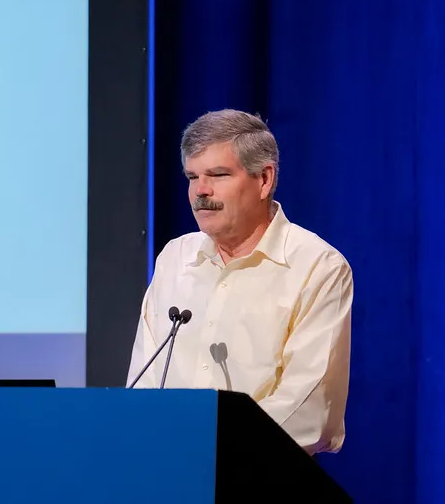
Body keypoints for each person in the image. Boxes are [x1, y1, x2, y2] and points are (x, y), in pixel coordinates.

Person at [126, 109, 353, 456]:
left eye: (218, 175)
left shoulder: (317, 267)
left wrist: (209, 450)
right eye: (192, 177)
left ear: (264, 179)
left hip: (257, 471)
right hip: (165, 468)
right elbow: (145, 383)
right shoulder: (175, 258)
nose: (201, 191)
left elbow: (308, 411)